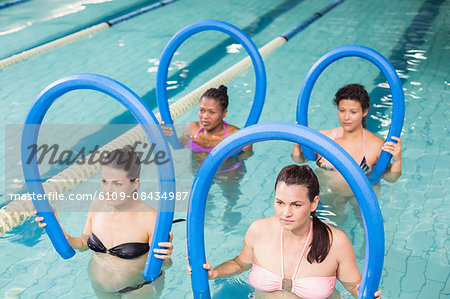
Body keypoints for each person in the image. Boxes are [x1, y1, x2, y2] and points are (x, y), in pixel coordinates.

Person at [187, 165, 382, 299]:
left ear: (314, 203)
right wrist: (215, 273)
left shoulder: (336, 243)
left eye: (296, 205)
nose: (286, 213)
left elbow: (354, 287)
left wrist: (365, 294)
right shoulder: (259, 230)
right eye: (280, 202)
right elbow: (240, 263)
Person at [35, 145, 173, 298]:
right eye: (104, 181)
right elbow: (82, 245)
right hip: (101, 290)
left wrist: (165, 257)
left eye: (117, 184)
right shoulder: (97, 205)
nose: (108, 190)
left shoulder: (151, 218)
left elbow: (164, 265)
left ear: (134, 183)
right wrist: (55, 226)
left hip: (139, 289)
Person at [162, 85, 252, 228]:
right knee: (203, 199)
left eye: (212, 112)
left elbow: (246, 155)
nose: (205, 116)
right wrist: (166, 134)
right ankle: (206, 219)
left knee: (231, 197)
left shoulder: (234, 134)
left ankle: (229, 213)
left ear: (224, 113)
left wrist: (247, 148)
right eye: (202, 110)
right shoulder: (192, 128)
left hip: (227, 173)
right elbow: (178, 147)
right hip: (200, 172)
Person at [292, 84, 402, 184]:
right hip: (326, 196)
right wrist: (297, 144)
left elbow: (389, 177)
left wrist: (397, 160)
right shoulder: (325, 137)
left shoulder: (376, 145)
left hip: (360, 199)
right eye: (342, 110)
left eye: (353, 112)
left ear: (365, 111)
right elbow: (301, 159)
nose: (346, 117)